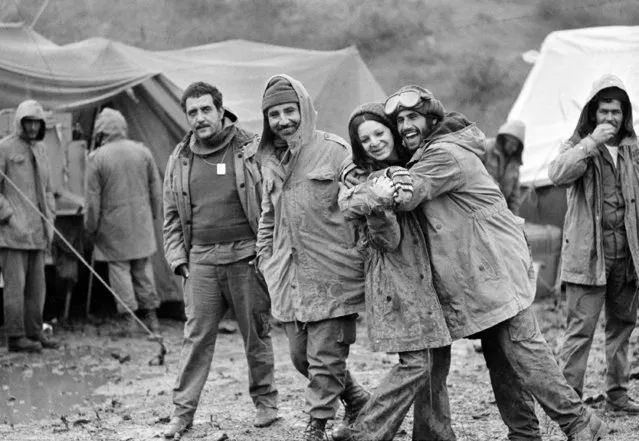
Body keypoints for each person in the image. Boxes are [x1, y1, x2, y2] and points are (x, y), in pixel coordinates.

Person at [379, 85, 607, 441]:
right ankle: (526, 434)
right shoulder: (432, 152)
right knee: (504, 361)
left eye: (413, 117)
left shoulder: (443, 154)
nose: (406, 125)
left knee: (525, 355)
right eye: (400, 120)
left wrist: (373, 183)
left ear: (431, 120)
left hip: (493, 270)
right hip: (480, 274)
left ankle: (580, 423)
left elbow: (411, 193)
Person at [255, 74, 369, 441]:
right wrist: (264, 255)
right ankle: (356, 398)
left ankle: (317, 424)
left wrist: (357, 253)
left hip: (332, 272)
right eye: (274, 114)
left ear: (304, 109)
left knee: (324, 357)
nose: (283, 120)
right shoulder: (269, 160)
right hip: (289, 276)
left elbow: (362, 198)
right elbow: (267, 214)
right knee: (301, 356)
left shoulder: (335, 151)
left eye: (290, 111)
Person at [163, 81, 279, 438]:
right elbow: (169, 215)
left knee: (256, 334)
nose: (200, 118)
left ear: (220, 109)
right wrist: (178, 260)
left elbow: (273, 200)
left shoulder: (250, 148)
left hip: (246, 256)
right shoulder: (180, 157)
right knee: (195, 337)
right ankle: (182, 414)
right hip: (200, 261)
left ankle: (267, 403)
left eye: (205, 110)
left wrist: (267, 253)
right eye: (192, 113)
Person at [336, 102, 454, 441]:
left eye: (378, 133)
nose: (374, 142)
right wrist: (380, 202)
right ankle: (365, 431)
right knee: (417, 363)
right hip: (395, 279)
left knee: (435, 363)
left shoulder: (412, 163)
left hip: (430, 276)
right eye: (365, 139)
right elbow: (386, 241)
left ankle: (434, 435)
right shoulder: (362, 181)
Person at [549, 74, 639, 414]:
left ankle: (617, 395)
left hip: (627, 256)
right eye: (604, 111)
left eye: (616, 112)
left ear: (625, 113)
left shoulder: (633, 149)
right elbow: (556, 174)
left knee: (622, 330)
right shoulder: (576, 146)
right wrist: (590, 143)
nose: (610, 119)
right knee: (580, 331)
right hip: (588, 258)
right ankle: (568, 402)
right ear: (592, 113)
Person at [85, 108, 162, 334]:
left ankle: (130, 321)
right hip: (142, 221)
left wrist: (91, 227)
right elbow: (156, 188)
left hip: (113, 225)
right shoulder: (143, 152)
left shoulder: (97, 158)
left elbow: (92, 202)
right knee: (143, 269)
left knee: (120, 272)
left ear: (101, 131)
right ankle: (152, 318)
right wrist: (154, 214)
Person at [0, 99, 58, 353]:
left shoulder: (42, 150)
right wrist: (9, 216)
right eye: (29, 122)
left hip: (38, 231)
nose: (33, 127)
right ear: (20, 122)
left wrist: (50, 220)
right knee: (15, 288)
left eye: (37, 122)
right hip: (13, 233)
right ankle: (16, 336)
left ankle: (35, 331)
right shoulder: (4, 148)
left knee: (37, 288)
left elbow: (47, 189)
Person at [483, 120, 526, 214]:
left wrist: (514, 220)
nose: (514, 148)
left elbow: (514, 196)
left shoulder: (514, 164)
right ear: (504, 139)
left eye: (516, 146)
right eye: (512, 143)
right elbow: (474, 173)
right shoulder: (486, 149)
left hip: (499, 211)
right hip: (480, 206)